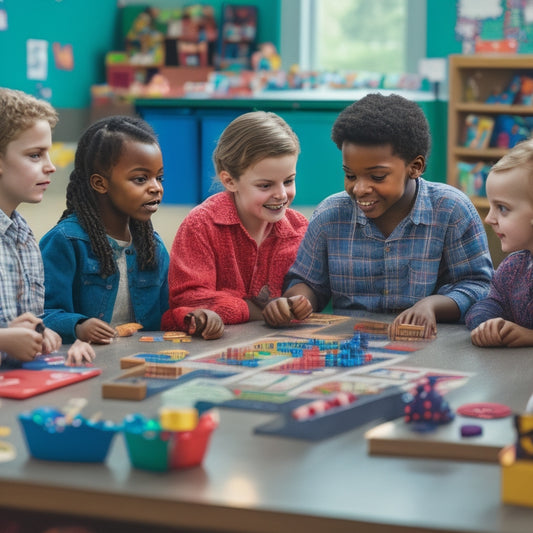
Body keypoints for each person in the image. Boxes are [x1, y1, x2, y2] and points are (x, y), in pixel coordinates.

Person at [263, 93, 493, 337]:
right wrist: (295, 300)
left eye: (377, 177)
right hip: (351, 346)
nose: (360, 188)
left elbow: (479, 285)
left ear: (415, 167)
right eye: (351, 175)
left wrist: (432, 305)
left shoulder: (452, 210)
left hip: (433, 345)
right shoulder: (330, 215)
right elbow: (308, 282)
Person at [161, 111, 309, 339]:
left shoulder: (299, 229)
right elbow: (189, 298)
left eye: (288, 181)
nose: (281, 194)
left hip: (277, 349)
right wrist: (255, 311)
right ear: (230, 181)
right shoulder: (201, 224)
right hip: (206, 350)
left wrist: (296, 305)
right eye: (265, 185)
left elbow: (307, 290)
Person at [40, 115, 169, 345]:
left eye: (159, 177)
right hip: (82, 363)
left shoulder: (153, 247)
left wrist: (192, 316)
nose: (155, 188)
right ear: (100, 183)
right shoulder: (65, 242)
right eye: (141, 179)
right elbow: (40, 315)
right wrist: (78, 325)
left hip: (140, 361)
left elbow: (167, 314)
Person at [0, 87, 94, 366]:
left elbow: (21, 326)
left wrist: (43, 335)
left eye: (48, 153)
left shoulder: (24, 237)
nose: (51, 166)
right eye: (35, 155)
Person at [465, 139, 533, 347]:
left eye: (502, 208)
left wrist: (530, 337)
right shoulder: (514, 267)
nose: (489, 218)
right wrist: (489, 325)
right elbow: (490, 303)